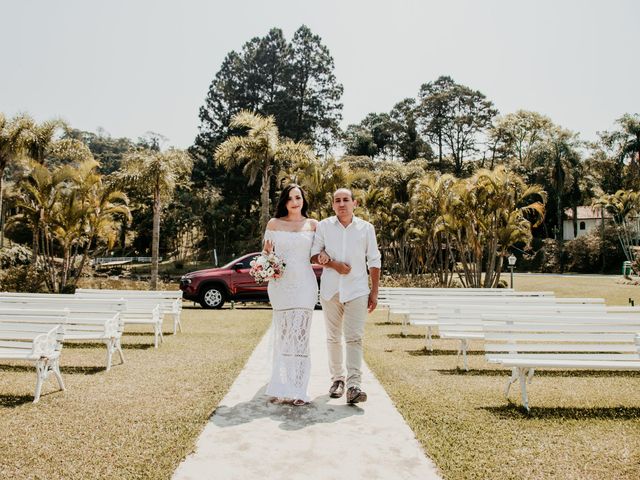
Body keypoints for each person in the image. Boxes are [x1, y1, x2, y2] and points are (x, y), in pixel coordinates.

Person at [310, 188, 381, 404]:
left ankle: (354, 385)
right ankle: (337, 380)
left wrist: (374, 292)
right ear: (332, 205)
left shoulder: (366, 229)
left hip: (358, 290)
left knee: (354, 337)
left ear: (354, 203)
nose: (342, 204)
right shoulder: (323, 226)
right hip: (331, 290)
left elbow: (374, 261)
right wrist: (332, 263)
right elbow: (313, 254)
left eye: (346, 200)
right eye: (337, 200)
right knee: (333, 338)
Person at [263, 184, 318, 406]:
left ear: (303, 199)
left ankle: (299, 388)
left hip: (305, 285)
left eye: (299, 197)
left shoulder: (314, 225)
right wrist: (266, 262)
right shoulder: (274, 224)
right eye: (290, 198)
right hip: (280, 286)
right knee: (285, 337)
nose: (295, 202)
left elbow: (319, 253)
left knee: (301, 338)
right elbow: (266, 254)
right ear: (284, 202)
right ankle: (281, 386)